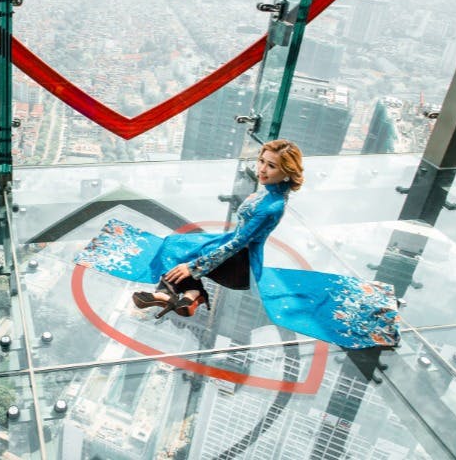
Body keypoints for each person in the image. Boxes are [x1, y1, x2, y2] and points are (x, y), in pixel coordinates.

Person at [74, 139, 400, 349]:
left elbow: (237, 244)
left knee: (178, 251)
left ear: (287, 173)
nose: (262, 169)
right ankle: (190, 295)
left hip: (240, 260)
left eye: (271, 166)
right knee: (177, 244)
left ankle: (175, 292)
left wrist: (195, 265)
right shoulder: (271, 191)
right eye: (262, 161)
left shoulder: (271, 204)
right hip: (232, 244)